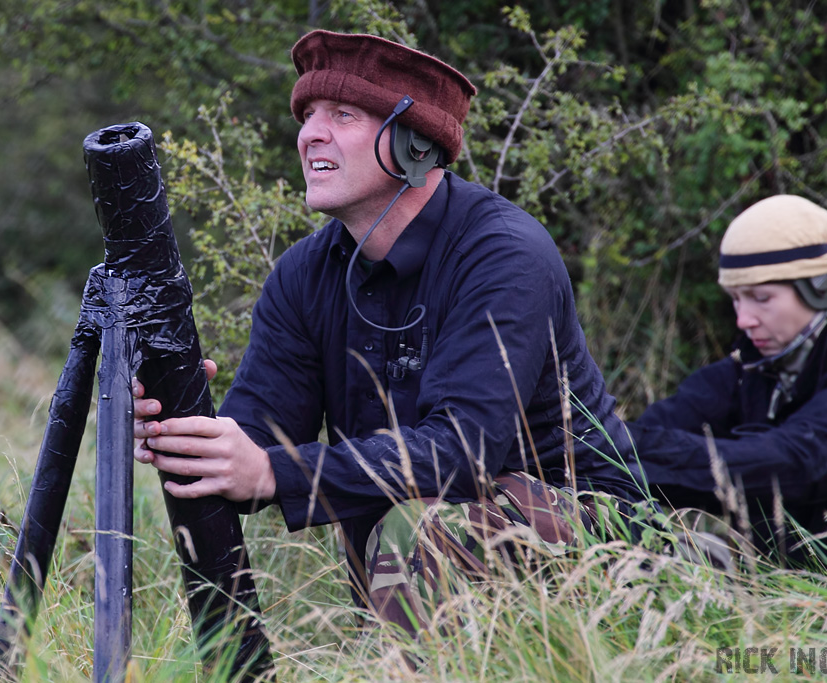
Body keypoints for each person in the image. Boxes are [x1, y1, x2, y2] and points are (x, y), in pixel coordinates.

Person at [133, 29, 648, 636]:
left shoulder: (504, 255)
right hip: (428, 554)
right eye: (307, 115)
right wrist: (194, 434)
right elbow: (260, 440)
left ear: (413, 145)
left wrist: (278, 472)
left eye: (342, 115)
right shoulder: (303, 275)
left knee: (422, 531)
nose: (310, 134)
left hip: (600, 544)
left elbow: (463, 452)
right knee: (416, 532)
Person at [630, 195, 827, 572]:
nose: (744, 319)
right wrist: (591, 448)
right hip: (787, 605)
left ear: (821, 288)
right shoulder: (756, 369)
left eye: (762, 298)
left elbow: (796, 463)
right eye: (736, 299)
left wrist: (644, 458)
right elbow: (655, 428)